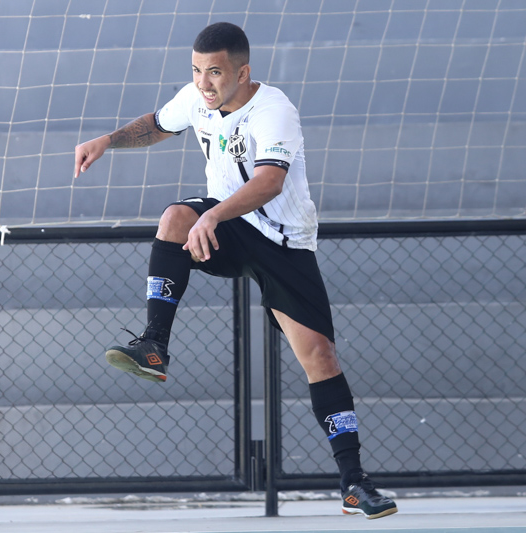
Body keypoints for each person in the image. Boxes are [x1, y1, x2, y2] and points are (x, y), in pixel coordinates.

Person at [73, 22, 397, 520]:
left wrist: (214, 214)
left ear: (243, 73)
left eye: (216, 72)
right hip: (225, 226)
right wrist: (108, 140)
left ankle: (354, 482)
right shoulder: (196, 97)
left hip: (283, 241)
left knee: (320, 358)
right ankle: (154, 345)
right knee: (175, 217)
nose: (205, 83)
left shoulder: (274, 110)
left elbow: (270, 181)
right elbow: (158, 124)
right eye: (198, 71)